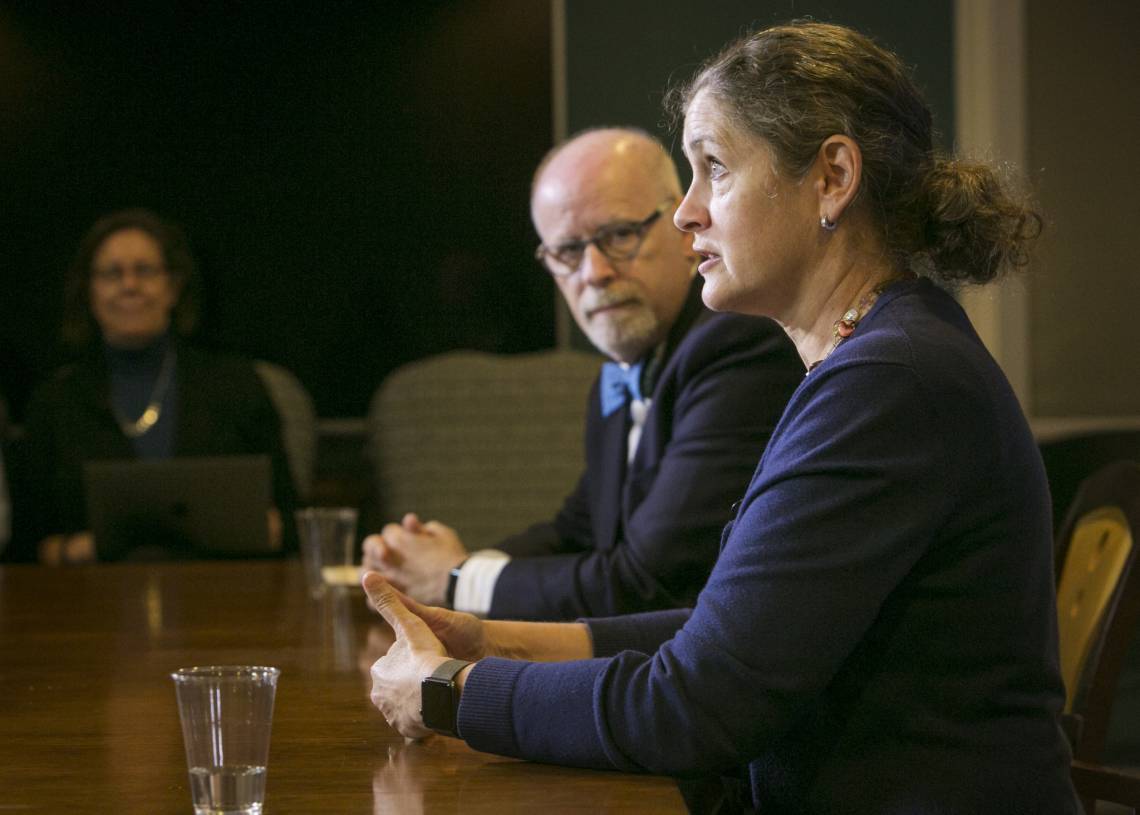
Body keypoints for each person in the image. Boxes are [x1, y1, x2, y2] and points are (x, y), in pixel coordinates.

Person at [362, 21, 1079, 813]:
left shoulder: (890, 380)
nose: (686, 214)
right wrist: (495, 639)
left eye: (715, 169)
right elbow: (725, 629)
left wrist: (448, 691)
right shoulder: (874, 358)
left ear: (833, 177)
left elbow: (699, 704)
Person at [363, 128, 802, 621]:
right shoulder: (620, 372)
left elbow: (649, 582)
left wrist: (456, 580)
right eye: (568, 251)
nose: (593, 272)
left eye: (618, 235)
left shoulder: (737, 344)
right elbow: (579, 530)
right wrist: (435, 565)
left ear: (684, 229)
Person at [22, 208, 296, 564]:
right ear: (88, 291)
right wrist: (73, 551)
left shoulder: (236, 385)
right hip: (91, 602)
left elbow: (293, 523)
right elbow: (25, 546)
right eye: (111, 274)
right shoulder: (54, 401)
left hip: (225, 598)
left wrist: (263, 530)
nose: (129, 285)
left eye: (145, 271)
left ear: (173, 287)